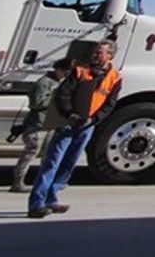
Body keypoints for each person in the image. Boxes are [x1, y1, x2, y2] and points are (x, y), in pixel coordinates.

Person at [28, 37, 122, 218]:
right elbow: (63, 94)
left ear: (110, 56)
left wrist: (94, 119)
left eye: (99, 52)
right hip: (69, 123)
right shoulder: (80, 71)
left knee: (69, 163)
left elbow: (110, 104)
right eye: (95, 52)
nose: (95, 55)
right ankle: (37, 203)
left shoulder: (115, 78)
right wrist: (70, 114)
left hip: (87, 126)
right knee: (52, 162)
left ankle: (51, 198)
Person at [9, 59, 70, 192]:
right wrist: (57, 100)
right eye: (65, 72)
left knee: (49, 155)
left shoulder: (59, 82)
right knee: (30, 152)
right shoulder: (43, 83)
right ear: (58, 69)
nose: (66, 75)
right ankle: (18, 182)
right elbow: (36, 103)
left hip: (51, 124)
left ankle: (45, 182)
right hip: (36, 125)